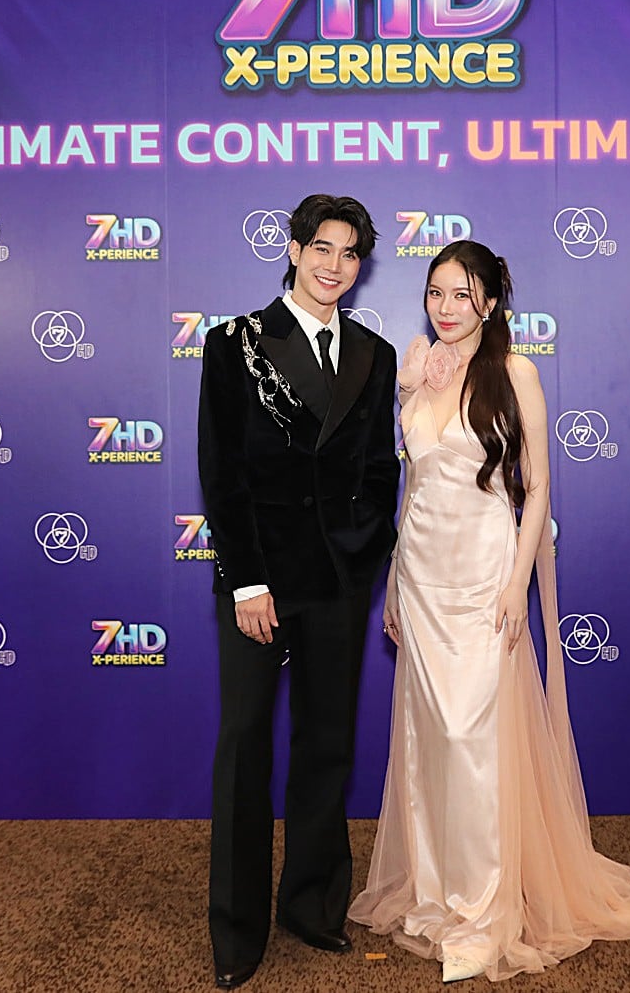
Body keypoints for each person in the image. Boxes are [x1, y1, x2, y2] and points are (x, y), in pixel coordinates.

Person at [349, 240, 630, 983]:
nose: (446, 307)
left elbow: (538, 485)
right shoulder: (416, 371)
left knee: (474, 739)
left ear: (491, 303)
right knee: (429, 741)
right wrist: (395, 578)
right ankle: (437, 895)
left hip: (484, 576)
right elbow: (412, 487)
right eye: (436, 292)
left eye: (463, 294)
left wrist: (515, 582)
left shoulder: (516, 372)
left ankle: (482, 907)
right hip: (422, 576)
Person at [198, 193, 400, 990]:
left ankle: (312, 906)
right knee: (246, 744)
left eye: (350, 254)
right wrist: (247, 578)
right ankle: (237, 930)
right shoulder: (235, 343)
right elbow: (222, 471)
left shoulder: (375, 353)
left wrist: (365, 555)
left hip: (338, 581)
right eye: (322, 248)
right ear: (292, 248)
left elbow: (378, 469)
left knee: (327, 744)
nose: (334, 266)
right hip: (259, 580)